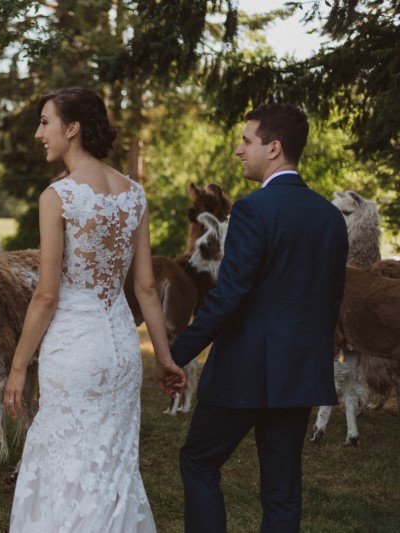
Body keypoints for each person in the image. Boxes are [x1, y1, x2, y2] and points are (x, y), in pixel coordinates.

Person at [3, 87, 186, 532]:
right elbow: (144, 288)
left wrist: (18, 367)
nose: (38, 134)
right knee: (113, 468)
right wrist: (164, 358)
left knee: (65, 465)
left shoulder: (59, 196)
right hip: (122, 348)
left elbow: (47, 295)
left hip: (74, 351)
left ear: (73, 129)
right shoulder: (134, 195)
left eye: (45, 122)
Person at [166, 103, 349, 532]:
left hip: (243, 372)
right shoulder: (329, 217)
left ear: (274, 148)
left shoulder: (252, 210)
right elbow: (330, 300)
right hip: (299, 372)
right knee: (282, 490)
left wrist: (176, 354)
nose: (238, 150)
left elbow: (229, 296)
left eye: (247, 141)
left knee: (198, 460)